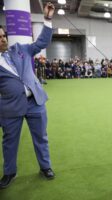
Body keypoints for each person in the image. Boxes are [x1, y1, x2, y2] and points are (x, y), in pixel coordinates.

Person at [0, 2, 55, 189]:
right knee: (9, 141)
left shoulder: (21, 49)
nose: (3, 39)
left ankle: (45, 167)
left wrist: (47, 20)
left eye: (3, 35)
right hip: (10, 107)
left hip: (35, 102)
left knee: (41, 137)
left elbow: (41, 43)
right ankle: (9, 172)